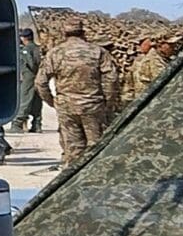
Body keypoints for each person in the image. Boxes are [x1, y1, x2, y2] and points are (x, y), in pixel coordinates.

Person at [34, 14, 122, 167]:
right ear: (83, 32)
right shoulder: (97, 52)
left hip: (67, 107)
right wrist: (107, 102)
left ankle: (73, 175)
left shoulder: (55, 53)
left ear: (65, 33)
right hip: (93, 105)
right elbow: (112, 79)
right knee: (97, 147)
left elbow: (40, 82)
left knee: (73, 149)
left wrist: (53, 102)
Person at [13, 26, 43, 131]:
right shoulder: (38, 48)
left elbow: (30, 63)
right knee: (37, 100)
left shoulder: (26, 49)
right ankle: (37, 124)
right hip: (39, 76)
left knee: (25, 99)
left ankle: (17, 124)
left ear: (24, 38)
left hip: (28, 76)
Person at [126, 35, 168, 104]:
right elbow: (130, 81)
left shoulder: (155, 58)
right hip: (139, 98)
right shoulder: (138, 60)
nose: (140, 46)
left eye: (142, 42)